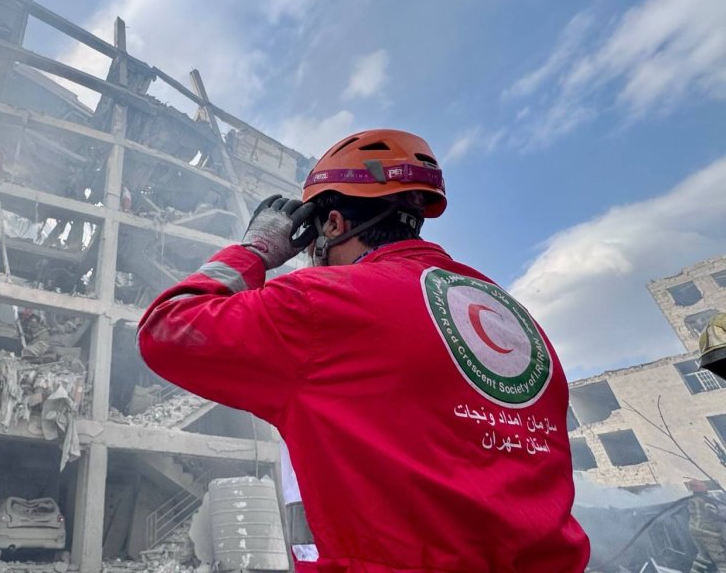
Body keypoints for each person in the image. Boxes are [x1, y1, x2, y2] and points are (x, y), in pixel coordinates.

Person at [137, 129, 589, 572]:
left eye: (312, 238)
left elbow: (167, 328)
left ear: (334, 223)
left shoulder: (322, 303)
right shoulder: (513, 319)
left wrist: (254, 250)